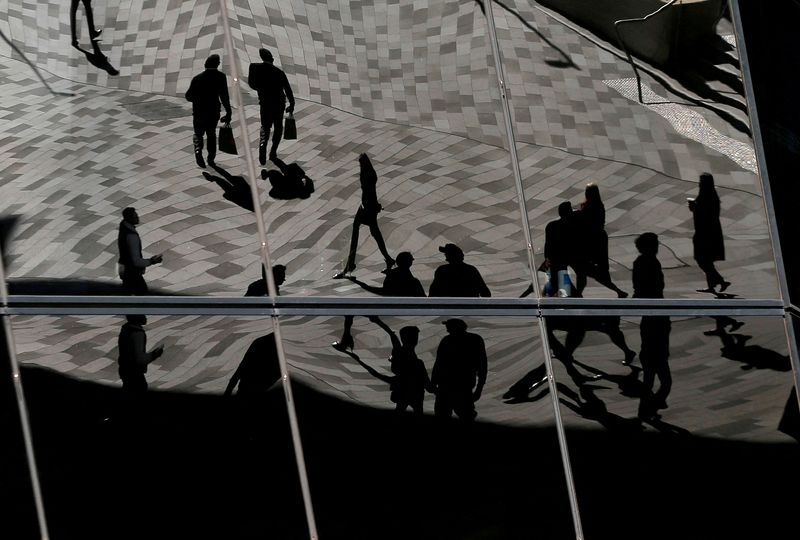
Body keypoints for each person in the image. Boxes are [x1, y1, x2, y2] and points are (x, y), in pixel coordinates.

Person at [332, 252, 424, 352]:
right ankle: (348, 339)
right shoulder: (414, 281)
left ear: (398, 262)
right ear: (410, 263)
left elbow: (385, 291)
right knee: (360, 311)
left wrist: (361, 284)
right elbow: (424, 299)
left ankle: (345, 341)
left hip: (389, 307)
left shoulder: (394, 275)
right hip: (400, 307)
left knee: (350, 310)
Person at [333, 154, 394, 278]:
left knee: (370, 233)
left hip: (367, 208)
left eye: (360, 163)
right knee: (372, 232)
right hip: (366, 207)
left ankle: (351, 264)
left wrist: (372, 206)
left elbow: (369, 193)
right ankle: (386, 259)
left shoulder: (367, 175)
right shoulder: (371, 173)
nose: (360, 166)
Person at [632, 232, 671, 421]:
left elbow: (638, 291)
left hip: (650, 320)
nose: (658, 246)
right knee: (664, 380)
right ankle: (649, 409)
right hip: (658, 319)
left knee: (650, 376)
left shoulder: (640, 263)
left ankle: (646, 410)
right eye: (656, 243)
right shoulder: (651, 264)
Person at [573, 183, 628, 298]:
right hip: (599, 239)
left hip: (590, 241)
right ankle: (578, 294)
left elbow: (585, 222)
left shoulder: (588, 206)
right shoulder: (599, 205)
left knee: (587, 270)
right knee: (588, 271)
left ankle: (578, 294)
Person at [369, 317, 431, 414]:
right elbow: (392, 335)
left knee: (403, 409)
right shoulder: (405, 354)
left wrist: (378, 321)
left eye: (416, 336)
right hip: (410, 390)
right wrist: (378, 321)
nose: (416, 339)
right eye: (414, 336)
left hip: (409, 390)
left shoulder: (406, 354)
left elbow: (392, 335)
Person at [431, 319, 488, 421]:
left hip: (455, 387)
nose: (447, 330)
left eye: (448, 327)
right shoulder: (474, 339)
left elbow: (438, 364)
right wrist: (479, 388)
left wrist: (433, 383)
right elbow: (482, 366)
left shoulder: (448, 341)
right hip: (457, 387)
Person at [248, 48, 295, 165]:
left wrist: (262, 89)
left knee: (265, 126)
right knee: (278, 128)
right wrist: (292, 104)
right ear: (272, 59)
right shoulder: (279, 73)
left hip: (265, 103)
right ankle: (273, 152)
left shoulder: (254, 67)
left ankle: (263, 145)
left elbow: (251, 83)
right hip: (279, 104)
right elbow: (288, 90)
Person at [186, 54, 232, 169]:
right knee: (211, 134)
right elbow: (224, 96)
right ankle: (211, 158)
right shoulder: (221, 77)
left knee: (198, 133)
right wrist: (228, 112)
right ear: (217, 64)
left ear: (205, 64)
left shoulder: (197, 78)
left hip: (199, 112)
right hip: (213, 111)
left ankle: (198, 150)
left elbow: (188, 96)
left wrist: (198, 98)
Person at [689, 173, 730, 293]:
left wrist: (694, 208)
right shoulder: (709, 194)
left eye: (701, 181)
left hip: (705, 233)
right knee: (706, 259)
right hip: (709, 231)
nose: (699, 183)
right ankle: (712, 286)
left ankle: (720, 281)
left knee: (702, 259)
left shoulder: (707, 196)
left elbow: (705, 214)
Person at [117, 207, 162, 295]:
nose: (138, 218)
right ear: (129, 218)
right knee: (142, 295)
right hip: (132, 273)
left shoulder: (123, 228)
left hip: (125, 270)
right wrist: (152, 261)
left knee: (127, 295)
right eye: (135, 216)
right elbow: (136, 261)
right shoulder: (131, 236)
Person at [117, 315, 164, 394]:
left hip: (124, 370)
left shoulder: (126, 329)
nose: (145, 317)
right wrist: (155, 354)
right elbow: (140, 359)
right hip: (134, 373)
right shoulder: (137, 333)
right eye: (142, 314)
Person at [543, 201, 577, 296]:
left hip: (554, 264)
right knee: (565, 287)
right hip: (561, 265)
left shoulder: (551, 226)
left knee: (554, 283)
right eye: (570, 211)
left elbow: (547, 244)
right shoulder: (568, 227)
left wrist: (547, 258)